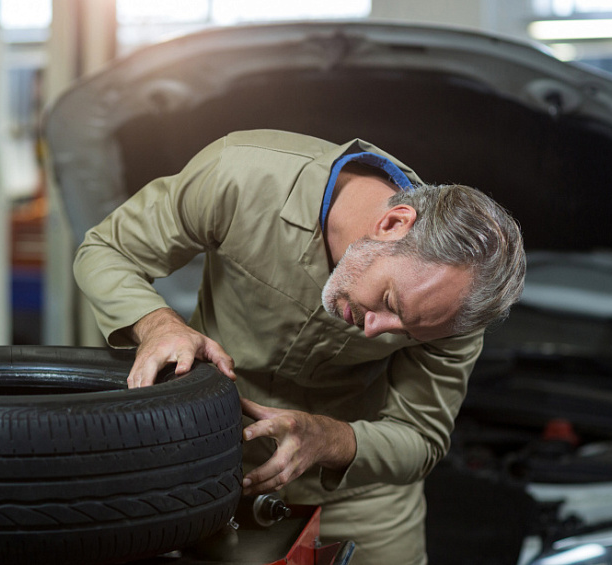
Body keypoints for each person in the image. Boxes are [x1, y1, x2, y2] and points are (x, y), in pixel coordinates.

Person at [72, 129, 525, 564]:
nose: (376, 331)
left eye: (406, 333)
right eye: (390, 302)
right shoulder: (243, 176)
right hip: (208, 462)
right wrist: (158, 324)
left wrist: (330, 439)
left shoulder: (452, 309)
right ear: (392, 223)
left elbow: (421, 437)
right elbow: (108, 250)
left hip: (356, 496)